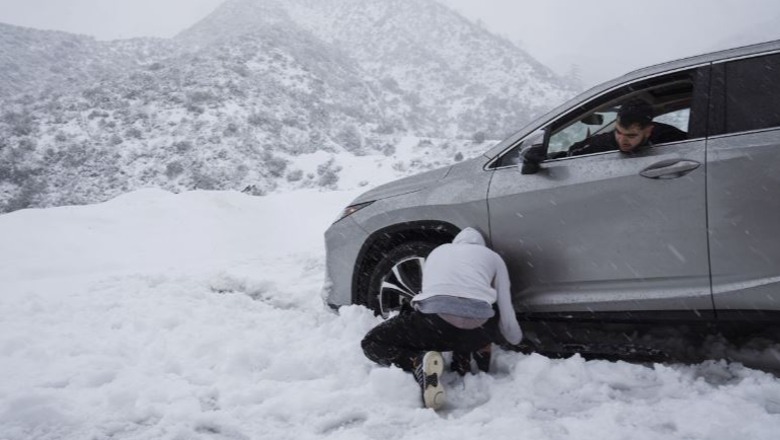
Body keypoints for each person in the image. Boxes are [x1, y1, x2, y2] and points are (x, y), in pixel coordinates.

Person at [361, 227, 523, 410]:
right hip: (479, 332)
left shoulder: (437, 252)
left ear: (456, 242)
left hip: (435, 327)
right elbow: (506, 307)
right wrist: (515, 340)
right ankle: (466, 358)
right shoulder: (493, 257)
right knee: (482, 307)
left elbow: (429, 296)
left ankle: (416, 360)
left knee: (371, 342)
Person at [567, 98, 687, 156]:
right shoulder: (604, 141)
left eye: (631, 135)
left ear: (648, 131)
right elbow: (571, 153)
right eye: (618, 132)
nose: (622, 140)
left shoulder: (672, 138)